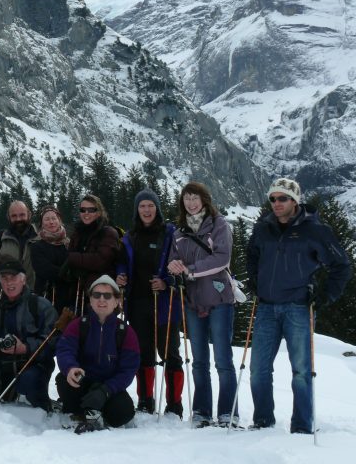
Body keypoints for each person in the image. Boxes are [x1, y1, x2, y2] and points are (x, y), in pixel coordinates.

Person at [247, 178, 352, 434]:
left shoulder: (315, 230)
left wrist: (326, 295)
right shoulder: (263, 228)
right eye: (273, 199)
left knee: (302, 372)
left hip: (297, 307)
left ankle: (302, 426)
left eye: (282, 198)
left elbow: (341, 265)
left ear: (295, 200)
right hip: (266, 308)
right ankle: (262, 422)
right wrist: (255, 283)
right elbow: (252, 256)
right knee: (258, 370)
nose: (276, 203)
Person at [167, 181, 237, 428]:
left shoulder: (219, 225)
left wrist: (191, 270)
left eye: (195, 198)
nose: (191, 203)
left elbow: (222, 258)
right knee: (199, 360)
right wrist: (173, 266)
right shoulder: (179, 232)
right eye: (187, 198)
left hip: (219, 299)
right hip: (193, 301)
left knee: (223, 360)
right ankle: (201, 411)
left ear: (205, 200)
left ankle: (228, 412)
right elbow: (174, 260)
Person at [116, 188, 183, 417]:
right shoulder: (130, 236)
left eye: (150, 205)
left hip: (164, 302)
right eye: (142, 206)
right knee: (143, 352)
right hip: (137, 302)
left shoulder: (170, 233)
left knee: (169, 352)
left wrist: (166, 282)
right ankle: (145, 400)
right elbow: (122, 263)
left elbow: (179, 263)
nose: (146, 210)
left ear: (157, 208)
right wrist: (121, 276)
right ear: (137, 209)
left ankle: (174, 403)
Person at [0, 256, 58, 410]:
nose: (9, 283)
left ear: (23, 280)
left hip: (32, 363)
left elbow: (53, 341)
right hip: (2, 362)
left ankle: (38, 409)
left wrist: (25, 348)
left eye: (13, 278)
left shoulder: (40, 305)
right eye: (4, 278)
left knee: (28, 380)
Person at [56, 275, 139, 432]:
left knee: (123, 413)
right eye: (96, 295)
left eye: (107, 295)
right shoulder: (78, 325)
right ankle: (81, 413)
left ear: (116, 301)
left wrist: (105, 391)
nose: (102, 299)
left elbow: (128, 370)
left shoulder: (126, 332)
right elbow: (65, 349)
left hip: (110, 387)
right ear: (91, 300)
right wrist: (71, 368)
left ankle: (99, 410)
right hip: (83, 382)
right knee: (63, 380)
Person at [63, 195, 120, 312]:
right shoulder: (77, 233)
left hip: (101, 295)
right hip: (77, 293)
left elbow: (100, 261)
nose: (86, 213)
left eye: (91, 210)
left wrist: (73, 259)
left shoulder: (108, 232)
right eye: (83, 210)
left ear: (99, 212)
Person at [0, 201, 37, 303]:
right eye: (14, 216)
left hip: (33, 299)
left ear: (29, 215)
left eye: (22, 215)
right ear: (9, 217)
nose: (18, 219)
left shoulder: (40, 238)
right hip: (3, 300)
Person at [22, 205, 69, 304]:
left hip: (69, 296)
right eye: (47, 219)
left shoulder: (69, 244)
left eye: (54, 218)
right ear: (42, 224)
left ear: (59, 220)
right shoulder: (36, 246)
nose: (51, 222)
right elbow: (44, 269)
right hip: (45, 296)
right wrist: (67, 273)